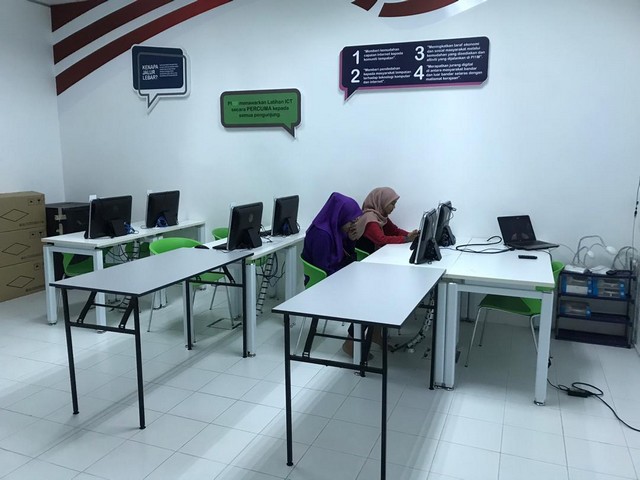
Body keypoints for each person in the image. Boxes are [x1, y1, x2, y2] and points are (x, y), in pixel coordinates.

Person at [301, 192, 364, 276]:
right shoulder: (322, 236)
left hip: (337, 272)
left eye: (356, 221)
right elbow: (324, 270)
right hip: (326, 279)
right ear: (341, 216)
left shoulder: (337, 229)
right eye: (352, 222)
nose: (353, 225)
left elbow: (349, 259)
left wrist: (351, 240)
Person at [356, 186, 419, 253]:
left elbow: (394, 231)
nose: (394, 207)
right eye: (392, 204)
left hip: (375, 253)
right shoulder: (370, 218)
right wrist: (406, 239)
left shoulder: (380, 216)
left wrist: (409, 234)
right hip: (366, 257)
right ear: (382, 202)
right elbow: (381, 240)